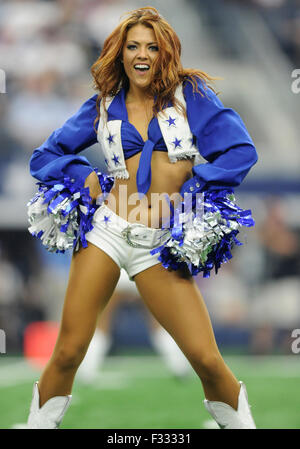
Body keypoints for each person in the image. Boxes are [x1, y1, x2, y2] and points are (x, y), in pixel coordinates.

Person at [26, 7, 258, 429]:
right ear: (120, 52)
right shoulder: (103, 103)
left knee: (206, 359)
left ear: (165, 52)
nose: (142, 54)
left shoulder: (192, 95)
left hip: (162, 244)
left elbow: (240, 151)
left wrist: (192, 192)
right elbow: (45, 156)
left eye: (152, 46)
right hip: (107, 231)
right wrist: (85, 178)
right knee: (68, 351)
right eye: (133, 45)